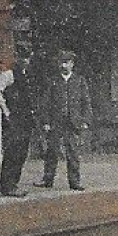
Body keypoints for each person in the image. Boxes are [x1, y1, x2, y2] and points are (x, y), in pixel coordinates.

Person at [0, 45, 37, 197]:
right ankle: (7, 185)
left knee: (22, 152)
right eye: (22, 57)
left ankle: (14, 184)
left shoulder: (28, 74)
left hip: (26, 118)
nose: (24, 60)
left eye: (27, 57)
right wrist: (4, 108)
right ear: (16, 57)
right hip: (14, 118)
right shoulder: (9, 74)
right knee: (13, 152)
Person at [38, 49, 92, 191]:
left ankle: (75, 182)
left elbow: (86, 102)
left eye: (67, 63)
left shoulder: (80, 81)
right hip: (56, 122)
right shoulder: (53, 81)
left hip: (73, 122)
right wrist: (46, 122)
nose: (64, 66)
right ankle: (47, 179)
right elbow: (45, 103)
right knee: (52, 151)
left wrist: (85, 120)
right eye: (62, 62)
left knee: (73, 152)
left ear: (72, 64)